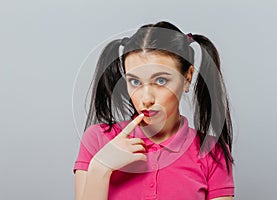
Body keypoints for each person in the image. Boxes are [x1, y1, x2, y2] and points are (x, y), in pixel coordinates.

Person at [73, 21, 235, 200]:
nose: (146, 99)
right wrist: (100, 168)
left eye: (161, 81)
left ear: (187, 78)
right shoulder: (97, 139)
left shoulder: (212, 152)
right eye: (134, 82)